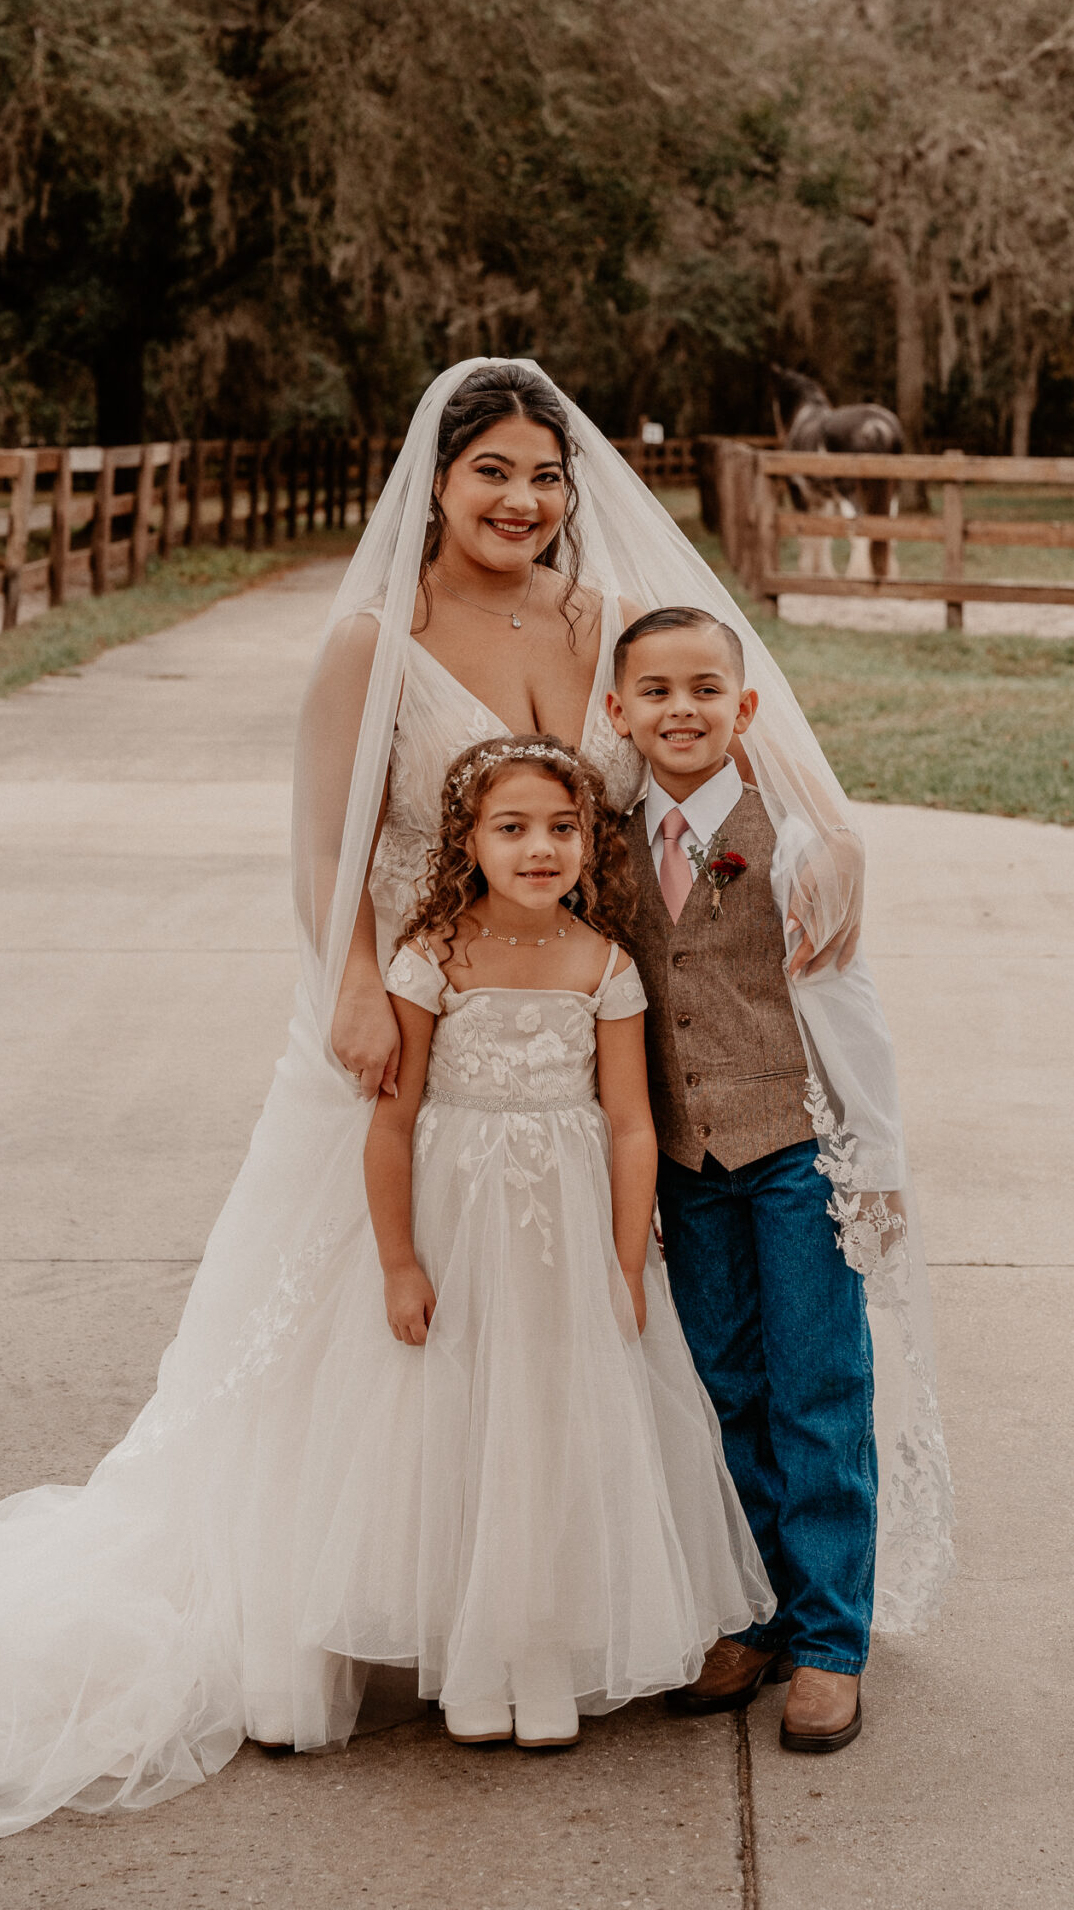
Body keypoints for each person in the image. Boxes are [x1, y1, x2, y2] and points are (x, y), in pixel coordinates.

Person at [0, 358, 949, 1837]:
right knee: (394, 1324)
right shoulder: (374, 642)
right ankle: (371, 1601)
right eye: (495, 473)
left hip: (610, 1047)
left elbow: (725, 727)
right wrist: (354, 983)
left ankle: (633, 1604)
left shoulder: (608, 624)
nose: (525, 500)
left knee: (606, 1330)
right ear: (438, 478)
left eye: (548, 475)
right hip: (422, 1025)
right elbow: (323, 850)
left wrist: (837, 830)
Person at [335, 732, 767, 1749]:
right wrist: (401, 1261)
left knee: (555, 1426)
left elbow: (628, 1124)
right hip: (460, 1225)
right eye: (513, 827)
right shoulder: (430, 955)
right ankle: (473, 1655)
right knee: (470, 1424)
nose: (541, 847)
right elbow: (390, 1123)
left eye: (563, 827)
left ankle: (545, 1653)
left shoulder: (604, 961)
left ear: (588, 842)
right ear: (468, 840)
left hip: (566, 1238)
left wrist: (623, 1265)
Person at [607, 607, 879, 1754]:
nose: (681, 709)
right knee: (722, 1379)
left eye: (705, 689)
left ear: (745, 708)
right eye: (656, 690)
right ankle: (757, 1605)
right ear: (616, 712)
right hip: (681, 1158)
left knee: (815, 1383)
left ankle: (829, 1637)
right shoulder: (605, 842)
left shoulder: (800, 840)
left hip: (792, 1145)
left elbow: (851, 1011)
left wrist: (876, 1158)